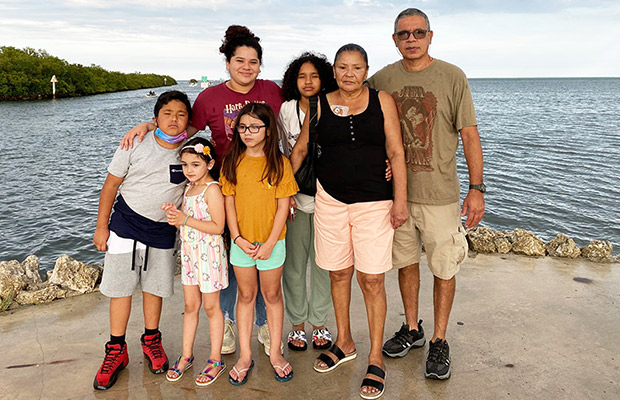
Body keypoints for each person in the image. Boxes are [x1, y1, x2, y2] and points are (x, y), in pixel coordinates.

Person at [120, 25, 284, 357]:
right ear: (227, 63)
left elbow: (292, 127)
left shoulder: (272, 92)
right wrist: (151, 125)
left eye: (253, 62)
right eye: (240, 61)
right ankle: (225, 323)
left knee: (262, 260)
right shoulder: (211, 97)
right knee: (224, 260)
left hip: (263, 189)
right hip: (222, 191)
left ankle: (264, 324)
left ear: (260, 66)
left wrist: (287, 189)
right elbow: (183, 132)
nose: (246, 67)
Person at [367, 8, 485, 380]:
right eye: (404, 34)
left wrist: (477, 188)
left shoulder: (452, 77)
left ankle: (439, 339)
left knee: (444, 268)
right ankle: (413, 329)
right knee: (406, 264)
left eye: (419, 32)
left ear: (431, 36)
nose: (412, 39)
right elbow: (361, 124)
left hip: (441, 194)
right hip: (397, 195)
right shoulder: (381, 79)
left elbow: (468, 134)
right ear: (394, 39)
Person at [290, 44, 408, 400]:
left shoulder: (382, 100)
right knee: (337, 272)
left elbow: (396, 151)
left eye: (356, 68)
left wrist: (399, 200)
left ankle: (375, 357)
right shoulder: (319, 103)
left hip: (374, 200)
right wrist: (277, 192)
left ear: (366, 70)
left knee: (371, 279)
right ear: (335, 71)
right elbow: (300, 149)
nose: (349, 74)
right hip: (331, 199)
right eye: (342, 67)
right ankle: (344, 341)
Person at [92, 90, 193, 390]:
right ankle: (116, 349)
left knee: (155, 288)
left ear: (189, 120)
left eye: (181, 114)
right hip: (125, 225)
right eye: (167, 114)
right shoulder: (134, 142)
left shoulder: (190, 149)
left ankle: (152, 340)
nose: (174, 120)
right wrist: (101, 227)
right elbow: (110, 185)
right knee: (120, 289)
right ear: (155, 118)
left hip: (163, 230)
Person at [220, 103, 297, 384]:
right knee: (246, 296)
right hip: (241, 244)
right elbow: (228, 203)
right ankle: (244, 356)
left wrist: (269, 242)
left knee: (273, 295)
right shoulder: (231, 162)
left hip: (272, 244)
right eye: (242, 127)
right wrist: (237, 238)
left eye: (255, 127)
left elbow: (282, 206)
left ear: (268, 130)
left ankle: (275, 353)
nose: (248, 133)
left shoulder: (279, 163)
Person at [277, 52, 337, 352]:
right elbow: (279, 150)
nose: (309, 81)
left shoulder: (334, 105)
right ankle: (297, 325)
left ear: (324, 78)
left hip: (330, 198)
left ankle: (320, 323)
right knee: (295, 266)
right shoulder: (286, 110)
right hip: (295, 197)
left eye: (314, 75)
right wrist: (283, 193)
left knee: (324, 266)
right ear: (293, 80)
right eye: (302, 76)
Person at [161, 138, 228, 386]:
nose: (189, 170)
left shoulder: (212, 189)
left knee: (211, 308)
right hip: (190, 256)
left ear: (209, 163)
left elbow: (218, 226)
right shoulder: (188, 189)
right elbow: (183, 219)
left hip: (209, 255)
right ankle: (186, 355)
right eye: (185, 165)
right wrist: (173, 213)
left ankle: (215, 359)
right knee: (190, 306)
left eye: (196, 164)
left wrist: (184, 220)